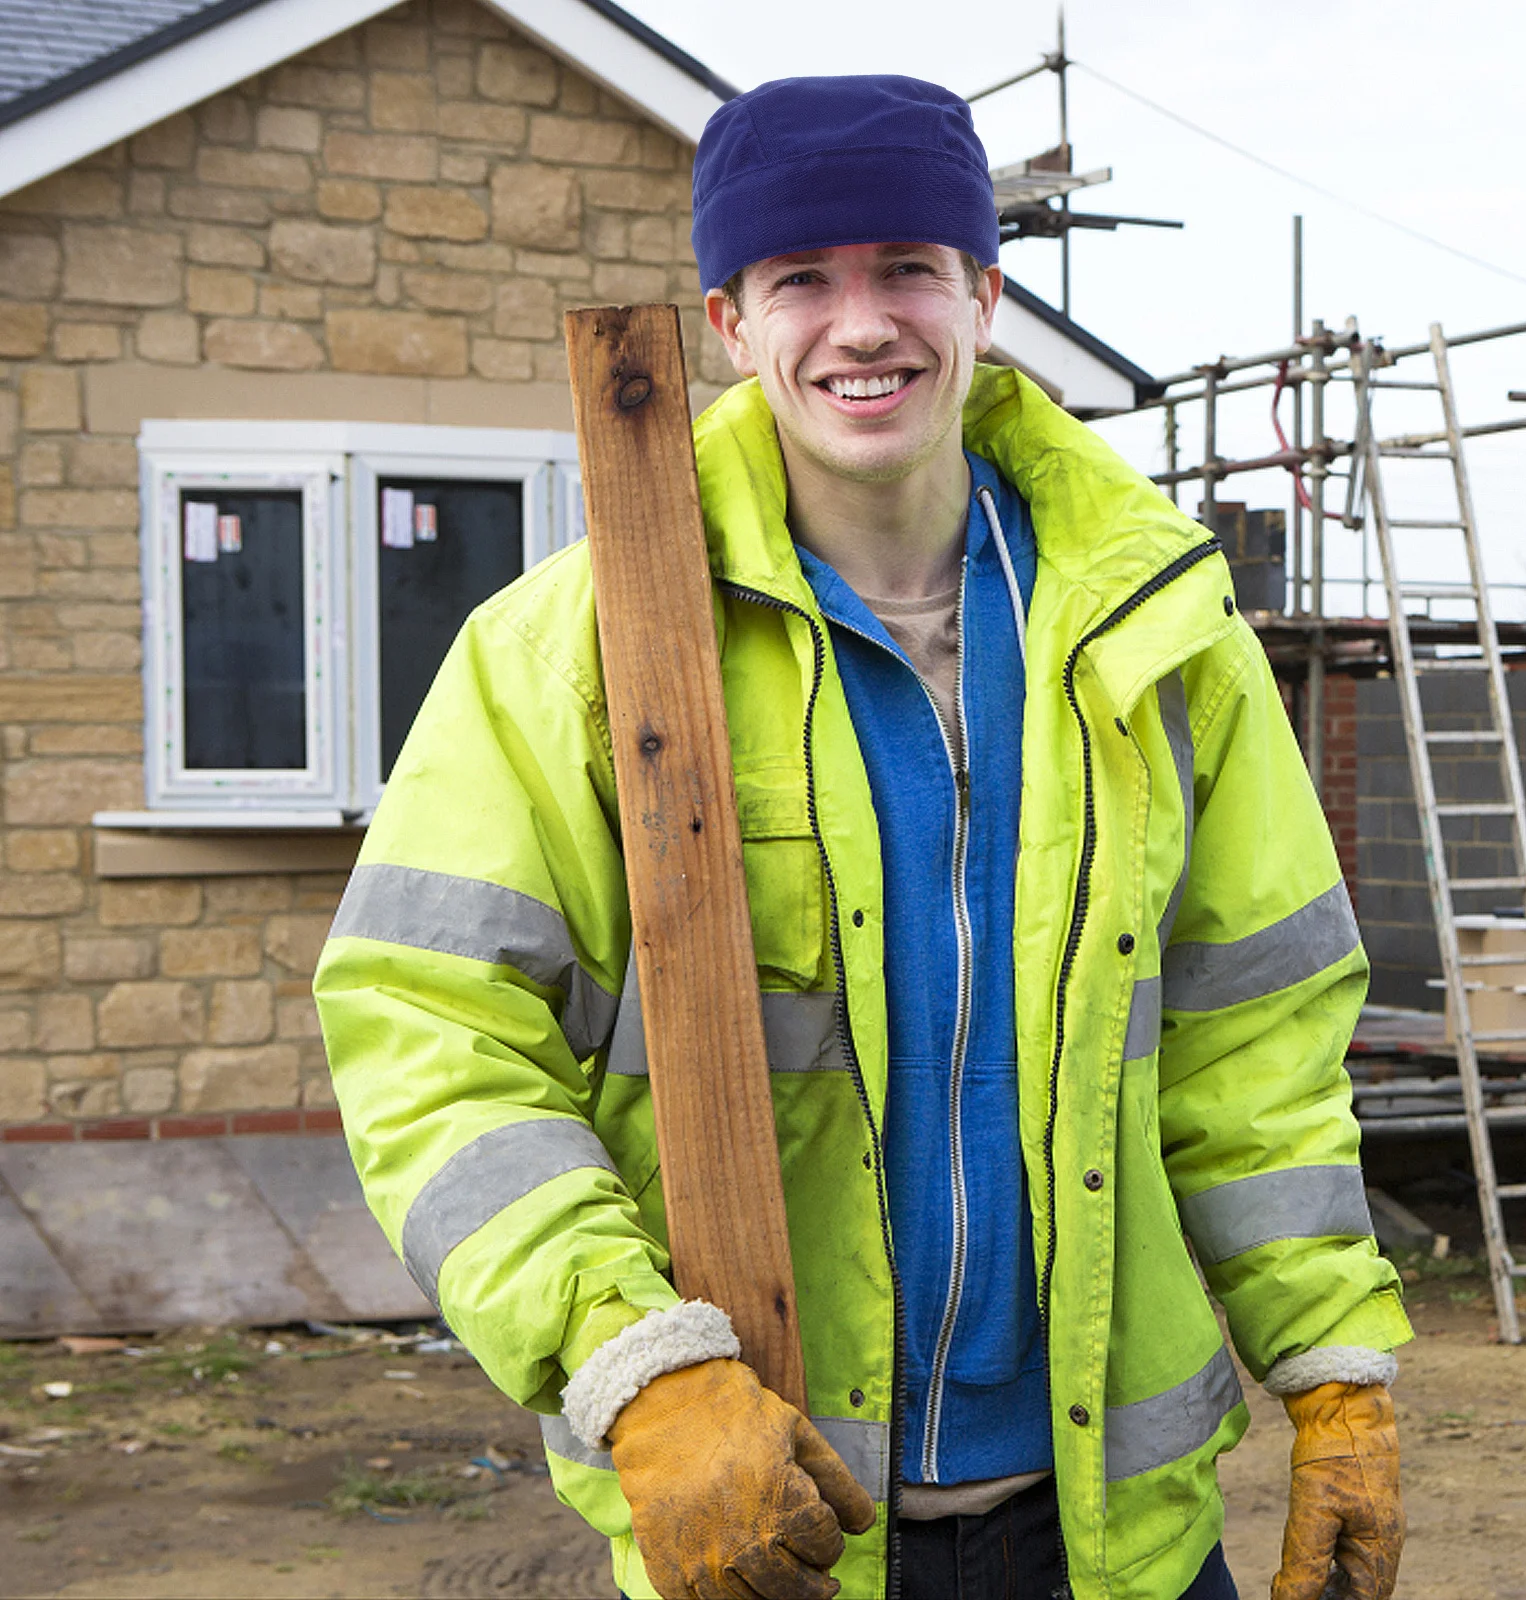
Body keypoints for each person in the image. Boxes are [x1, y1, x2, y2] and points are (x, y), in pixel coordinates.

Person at [314, 74, 1410, 1600]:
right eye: (802, 280)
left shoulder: (1158, 639)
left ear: (985, 293)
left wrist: (1333, 1363)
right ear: (727, 323)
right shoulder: (578, 649)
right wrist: (630, 1356)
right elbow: (431, 1035)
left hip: (1115, 1544)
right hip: (775, 1524)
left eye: (907, 267)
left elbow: (1255, 1040)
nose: (862, 322)